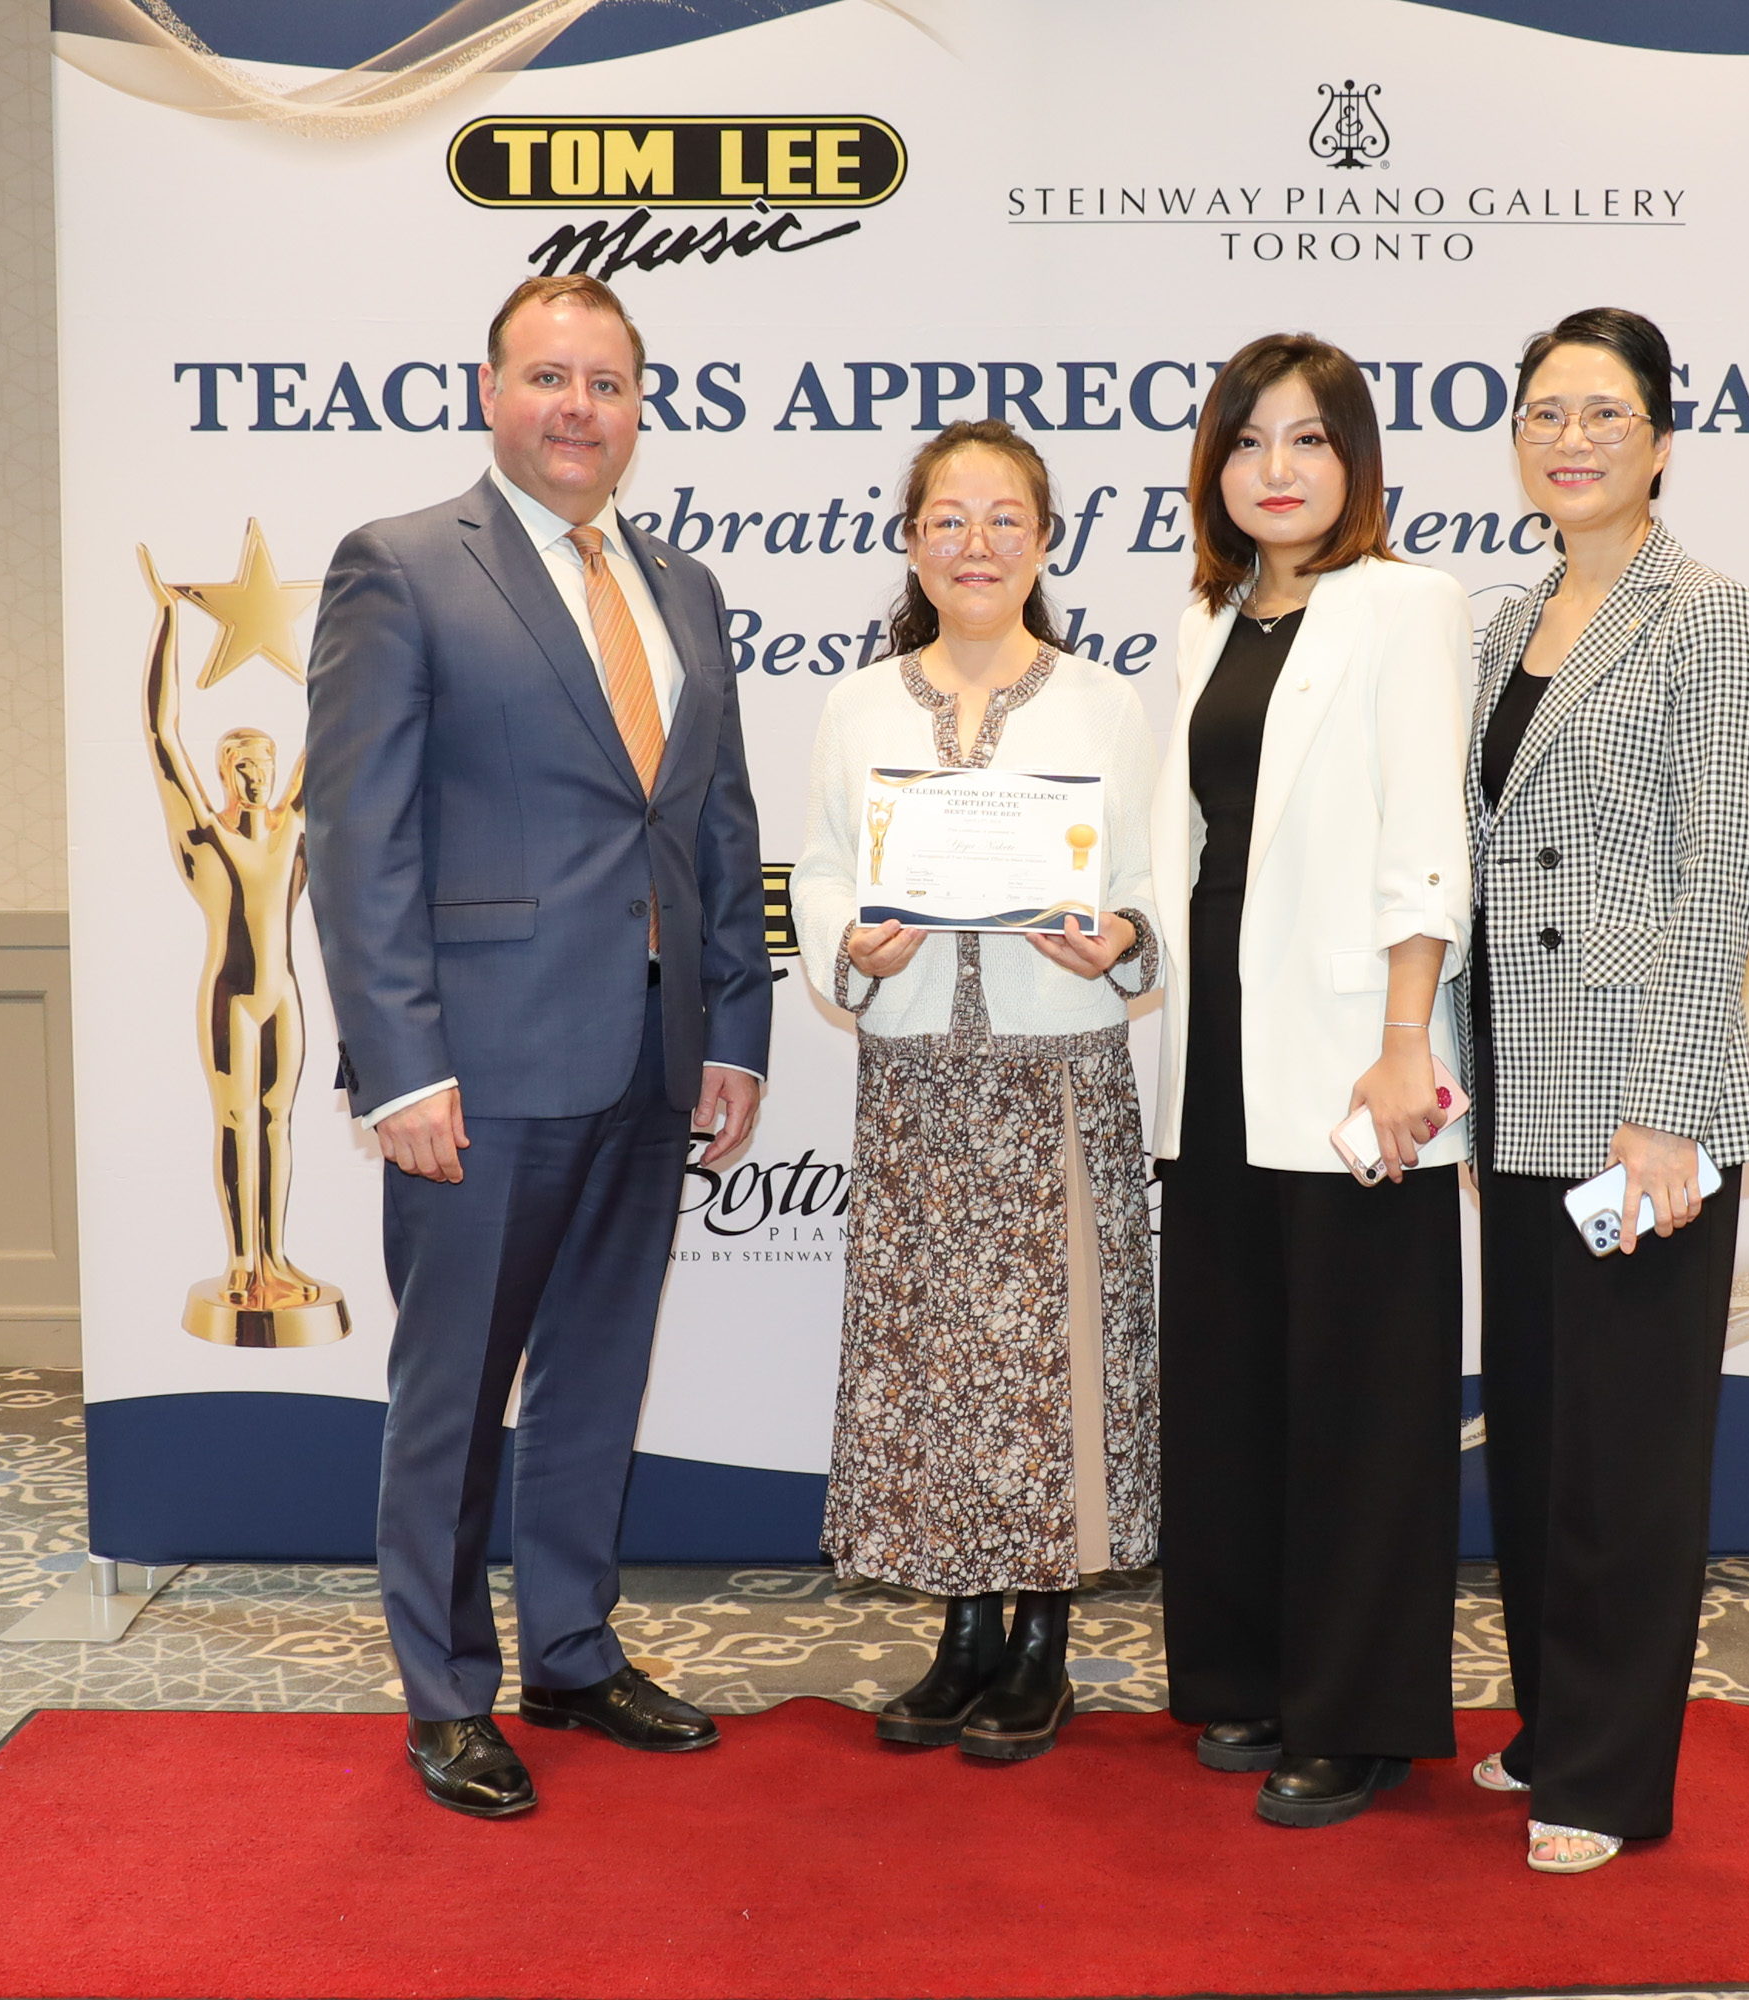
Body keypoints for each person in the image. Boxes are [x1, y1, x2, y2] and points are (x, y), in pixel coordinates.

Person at [303, 273, 774, 1818]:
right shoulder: (399, 567)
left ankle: (572, 1650)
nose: (579, 408)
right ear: (491, 392)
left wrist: (735, 1027)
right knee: (456, 1392)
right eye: (550, 377)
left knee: (594, 1377)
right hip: (481, 1069)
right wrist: (400, 1062)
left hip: (651, 1055)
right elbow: (357, 837)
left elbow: (713, 823)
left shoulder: (683, 587)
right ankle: (447, 1691)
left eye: (608, 383)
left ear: (640, 410)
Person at [1459, 306, 1749, 1873]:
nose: (1569, 438)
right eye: (1543, 412)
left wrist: (1665, 1110)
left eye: (1601, 412)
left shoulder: (1710, 619)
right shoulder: (1503, 619)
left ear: (1660, 441)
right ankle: (1552, 1721)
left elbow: (1718, 881)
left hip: (1637, 1104)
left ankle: (1606, 1776)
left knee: (1625, 1457)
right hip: (1520, 1085)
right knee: (1536, 1435)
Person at [791, 421, 1162, 1762]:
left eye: (1006, 519)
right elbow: (823, 865)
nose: (977, 545)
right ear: (910, 543)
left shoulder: (1103, 703)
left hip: (1057, 1073)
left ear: (1046, 542)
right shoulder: (859, 704)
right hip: (918, 1081)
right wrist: (852, 942)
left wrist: (1120, 939)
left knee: (1056, 1362)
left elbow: (1148, 880)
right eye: (948, 520)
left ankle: (1043, 1642)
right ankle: (961, 1637)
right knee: (935, 1364)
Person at [1148, 333, 1475, 1828]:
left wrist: (1408, 1038)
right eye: (1246, 440)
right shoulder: (1204, 621)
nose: (1274, 469)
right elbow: (1189, 843)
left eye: (1308, 440)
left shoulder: (1408, 604)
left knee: (1362, 1398)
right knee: (1233, 1383)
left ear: (1356, 463)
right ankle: (1252, 1673)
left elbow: (1427, 832)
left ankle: (1356, 1716)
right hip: (1214, 1055)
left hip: (1357, 1057)